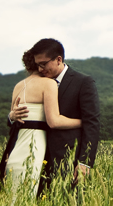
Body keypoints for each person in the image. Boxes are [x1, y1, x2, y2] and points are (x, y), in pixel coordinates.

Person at [9, 38, 100, 196]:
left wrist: (85, 162)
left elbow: (92, 124)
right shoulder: (37, 84)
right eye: (37, 64)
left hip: (68, 159)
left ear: (59, 59)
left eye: (43, 64)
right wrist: (11, 116)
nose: (40, 68)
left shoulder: (83, 82)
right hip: (36, 159)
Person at [0, 47, 82, 202]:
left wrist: (10, 117)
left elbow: (14, 119)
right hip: (35, 146)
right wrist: (83, 122)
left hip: (15, 147)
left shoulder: (18, 86)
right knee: (30, 192)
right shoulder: (49, 84)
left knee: (12, 196)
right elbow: (54, 121)